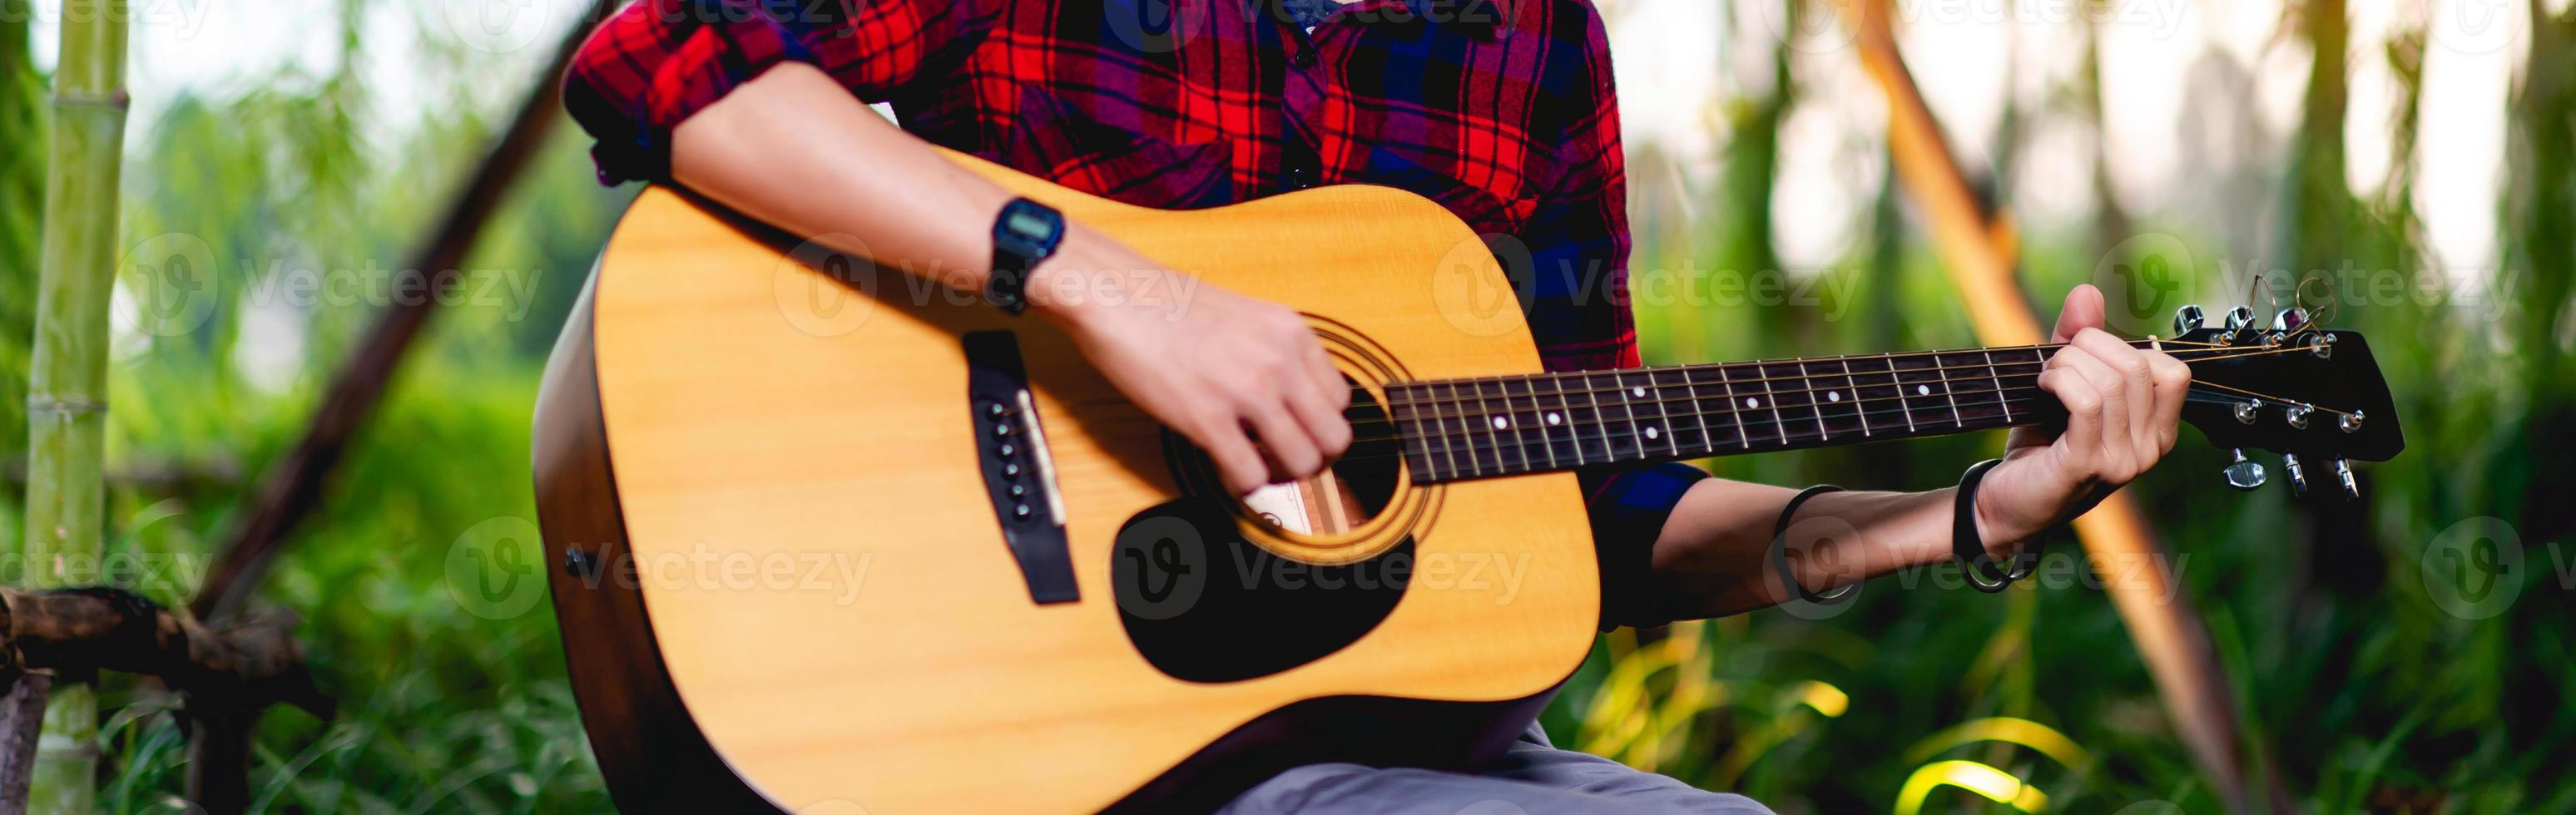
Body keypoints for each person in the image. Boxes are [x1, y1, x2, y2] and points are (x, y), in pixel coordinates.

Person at [561, 0, 2192, 811]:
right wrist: (1116, 291)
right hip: (1018, 744)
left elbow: (1594, 509)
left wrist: (1963, 515)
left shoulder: (1533, 37)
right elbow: (669, 72)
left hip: (1376, 753)